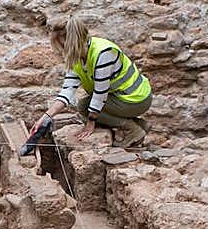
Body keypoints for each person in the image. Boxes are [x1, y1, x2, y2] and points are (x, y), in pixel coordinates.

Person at [30, 16, 152, 147]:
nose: (63, 50)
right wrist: (45, 118)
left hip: (136, 99)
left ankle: (133, 130)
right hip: (120, 98)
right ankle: (139, 123)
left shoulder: (104, 53)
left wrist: (91, 121)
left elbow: (100, 94)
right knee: (84, 106)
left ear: (74, 42)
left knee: (85, 107)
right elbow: (67, 92)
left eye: (64, 45)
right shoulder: (77, 57)